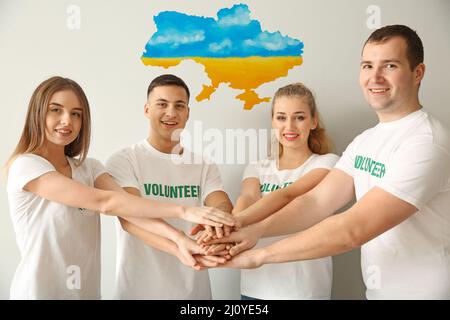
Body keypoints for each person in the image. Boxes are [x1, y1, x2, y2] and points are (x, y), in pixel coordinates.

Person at [212, 25, 450, 299]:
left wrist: (260, 256)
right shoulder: (365, 141)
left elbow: (352, 229)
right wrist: (254, 230)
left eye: (390, 66)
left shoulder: (427, 142)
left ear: (417, 72)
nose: (375, 77)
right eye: (367, 66)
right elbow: (315, 202)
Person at [4, 76, 235, 300]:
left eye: (76, 114)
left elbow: (129, 210)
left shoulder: (90, 168)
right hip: (39, 294)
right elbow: (105, 203)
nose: (67, 121)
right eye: (56, 110)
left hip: (87, 294)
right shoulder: (26, 165)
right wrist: (184, 211)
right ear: (38, 113)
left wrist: (180, 243)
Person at [106, 74, 234, 299]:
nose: (171, 113)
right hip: (137, 291)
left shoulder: (203, 164)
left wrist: (217, 221)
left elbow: (221, 202)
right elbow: (129, 217)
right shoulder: (125, 160)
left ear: (187, 113)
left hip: (194, 293)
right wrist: (180, 243)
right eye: (162, 104)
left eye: (179, 106)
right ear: (147, 109)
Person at [210, 83, 339, 299]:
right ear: (272, 121)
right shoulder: (258, 167)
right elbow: (247, 198)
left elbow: (288, 195)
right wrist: (226, 229)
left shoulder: (327, 163)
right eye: (281, 117)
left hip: (304, 290)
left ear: (313, 121)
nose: (289, 126)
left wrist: (236, 223)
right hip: (255, 288)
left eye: (299, 117)